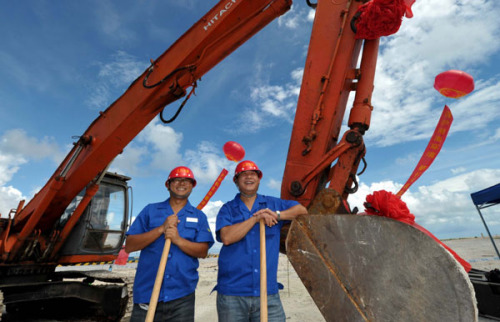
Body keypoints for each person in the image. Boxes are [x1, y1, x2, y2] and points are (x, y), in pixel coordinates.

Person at [215, 160, 308, 322]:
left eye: (253, 174)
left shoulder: (273, 203)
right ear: (236, 181)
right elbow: (227, 238)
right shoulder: (227, 209)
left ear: (259, 179)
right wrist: (256, 218)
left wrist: (277, 215)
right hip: (232, 295)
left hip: (268, 293)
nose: (249, 177)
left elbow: (302, 212)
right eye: (243, 174)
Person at [125, 166, 214, 322]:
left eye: (187, 180)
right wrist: (160, 229)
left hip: (182, 296)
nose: (182, 183)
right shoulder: (150, 211)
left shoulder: (199, 216)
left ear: (192, 186)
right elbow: (130, 245)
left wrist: (178, 240)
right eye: (177, 180)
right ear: (168, 185)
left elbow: (203, 251)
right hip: (147, 291)